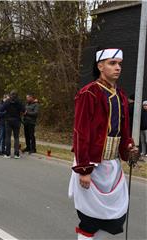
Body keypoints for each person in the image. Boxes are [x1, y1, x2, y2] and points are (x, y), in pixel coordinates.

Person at [68, 48, 139, 240]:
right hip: (92, 164)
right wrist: (84, 169)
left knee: (111, 220)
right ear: (100, 66)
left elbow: (123, 130)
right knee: (90, 220)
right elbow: (81, 133)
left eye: (119, 64)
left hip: (112, 165)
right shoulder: (88, 93)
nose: (117, 68)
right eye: (112, 63)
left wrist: (129, 148)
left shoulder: (121, 95)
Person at [1, 90, 24, 159]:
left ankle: (7, 154)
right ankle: (16, 154)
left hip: (8, 121)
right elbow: (24, 110)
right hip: (17, 120)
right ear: (17, 95)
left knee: (8, 137)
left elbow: (1, 109)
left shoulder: (7, 101)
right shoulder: (19, 102)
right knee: (16, 137)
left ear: (10, 95)